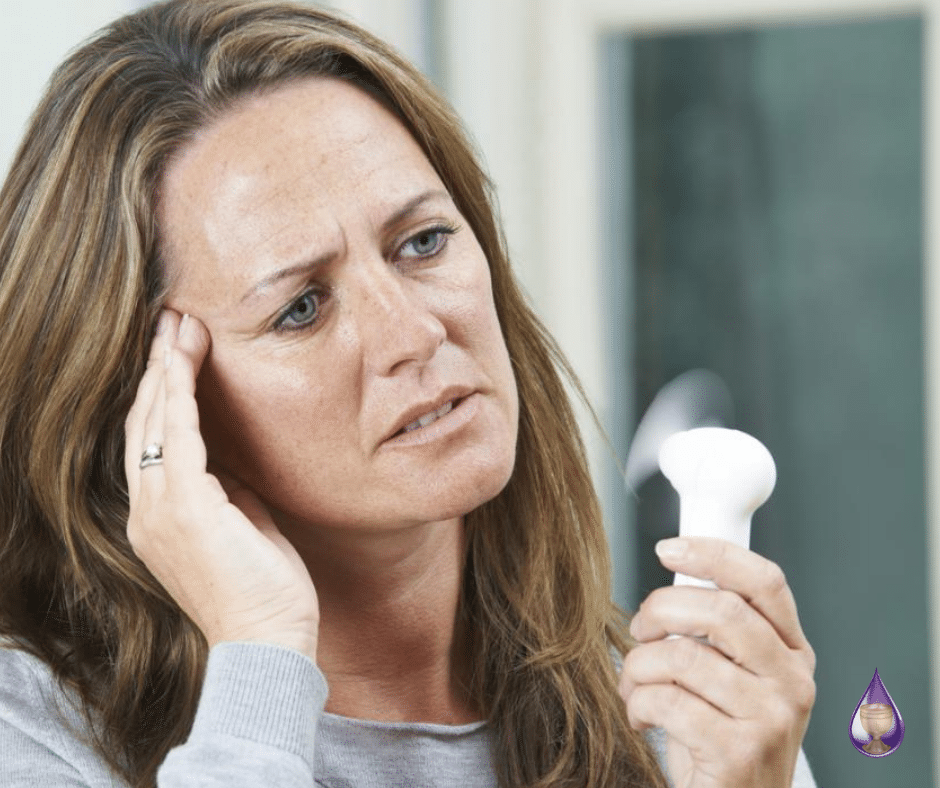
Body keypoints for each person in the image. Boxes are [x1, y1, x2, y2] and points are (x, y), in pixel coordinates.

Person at [0, 1, 817, 786]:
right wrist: (258, 656)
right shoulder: (34, 738)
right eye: (301, 308)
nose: (415, 332)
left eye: (423, 242)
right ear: (149, 404)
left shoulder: (677, 721)